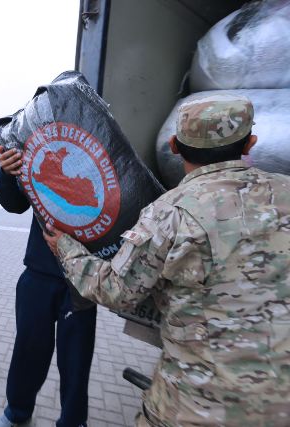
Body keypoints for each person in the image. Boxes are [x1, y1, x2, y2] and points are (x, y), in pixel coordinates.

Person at [44, 94, 290, 426]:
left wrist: (66, 248)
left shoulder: (169, 212)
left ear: (174, 146)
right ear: (250, 143)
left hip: (195, 405)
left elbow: (117, 290)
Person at [0, 144, 97, 425]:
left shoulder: (101, 145)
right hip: (38, 273)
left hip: (82, 278)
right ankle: (17, 411)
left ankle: (73, 421)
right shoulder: (46, 142)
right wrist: (6, 174)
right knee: (28, 350)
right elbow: (15, 205)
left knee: (76, 359)